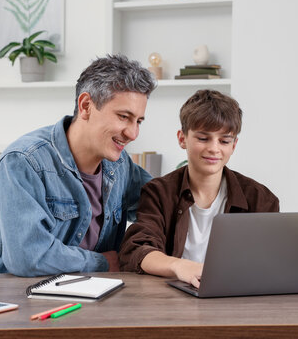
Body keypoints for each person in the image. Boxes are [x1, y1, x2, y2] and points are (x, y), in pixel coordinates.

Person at [0, 54, 156, 276]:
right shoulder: (24, 161)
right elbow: (28, 257)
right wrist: (103, 263)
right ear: (86, 105)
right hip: (11, 300)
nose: (133, 133)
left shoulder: (119, 164)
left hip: (84, 295)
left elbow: (160, 201)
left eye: (138, 121)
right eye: (123, 117)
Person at [119, 89, 279, 288]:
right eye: (203, 138)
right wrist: (179, 266)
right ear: (182, 138)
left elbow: (270, 263)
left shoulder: (260, 198)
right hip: (173, 300)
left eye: (224, 141)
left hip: (237, 299)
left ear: (234, 145)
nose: (214, 148)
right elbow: (137, 250)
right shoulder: (158, 192)